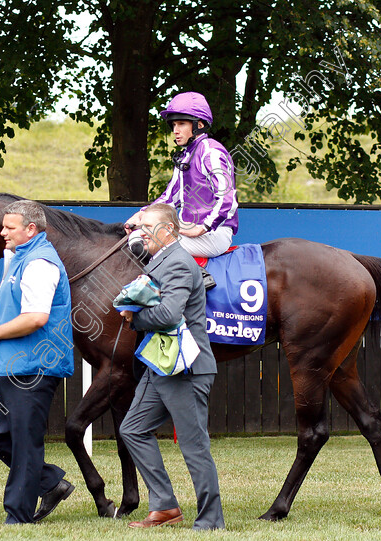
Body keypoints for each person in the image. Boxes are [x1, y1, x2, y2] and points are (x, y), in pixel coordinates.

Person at [118, 203, 225, 530]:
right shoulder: (162, 260)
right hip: (161, 364)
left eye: (147, 228)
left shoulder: (177, 262)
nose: (141, 234)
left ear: (167, 230)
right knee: (132, 429)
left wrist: (134, 317)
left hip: (186, 369)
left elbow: (167, 315)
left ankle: (211, 521)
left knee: (194, 447)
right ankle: (164, 507)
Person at [0, 199, 75, 525]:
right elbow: (23, 301)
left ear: (31, 229)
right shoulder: (20, 258)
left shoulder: (39, 263)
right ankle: (50, 483)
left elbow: (37, 317)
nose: (2, 233)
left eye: (9, 227)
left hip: (33, 366)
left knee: (25, 442)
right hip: (15, 364)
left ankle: (18, 516)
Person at [125, 91, 238, 289]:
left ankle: (199, 276)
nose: (176, 130)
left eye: (182, 124)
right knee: (135, 237)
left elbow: (227, 199)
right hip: (187, 229)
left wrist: (201, 228)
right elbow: (169, 197)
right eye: (174, 125)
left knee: (154, 241)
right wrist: (141, 215)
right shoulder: (186, 155)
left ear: (199, 125)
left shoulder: (211, 151)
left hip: (214, 232)